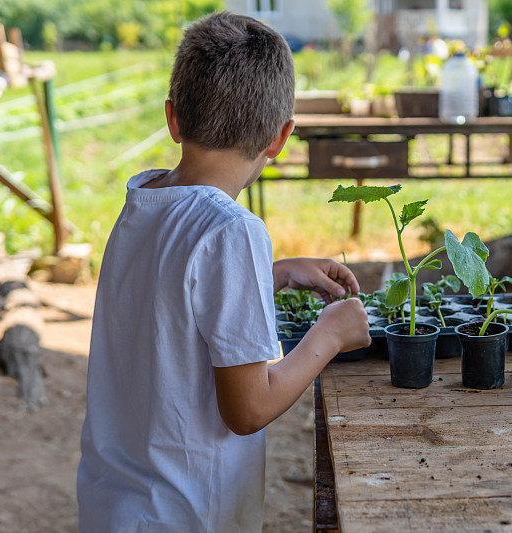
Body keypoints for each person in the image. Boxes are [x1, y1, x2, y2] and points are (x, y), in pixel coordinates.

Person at [77, 12, 371, 531]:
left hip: (116, 506)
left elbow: (169, 299)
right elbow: (249, 409)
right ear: (280, 138)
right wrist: (329, 335)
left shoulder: (143, 199)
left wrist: (271, 273)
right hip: (187, 515)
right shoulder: (232, 231)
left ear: (172, 118)